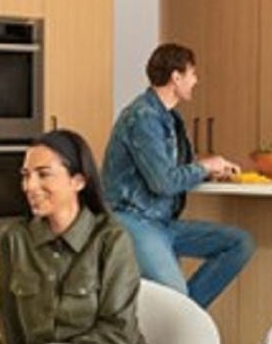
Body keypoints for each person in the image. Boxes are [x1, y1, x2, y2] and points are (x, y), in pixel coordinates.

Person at [0, 130, 157, 344]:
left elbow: (119, 332)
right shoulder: (15, 241)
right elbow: (13, 334)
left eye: (43, 174)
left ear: (78, 181)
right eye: (25, 176)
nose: (29, 186)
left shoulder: (111, 239)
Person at [102, 43, 255, 309]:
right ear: (176, 77)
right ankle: (182, 320)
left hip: (162, 223)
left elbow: (174, 170)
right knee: (175, 298)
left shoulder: (169, 118)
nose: (196, 80)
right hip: (134, 220)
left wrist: (211, 173)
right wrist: (206, 166)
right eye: (192, 74)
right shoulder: (143, 117)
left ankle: (183, 321)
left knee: (239, 243)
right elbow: (163, 182)